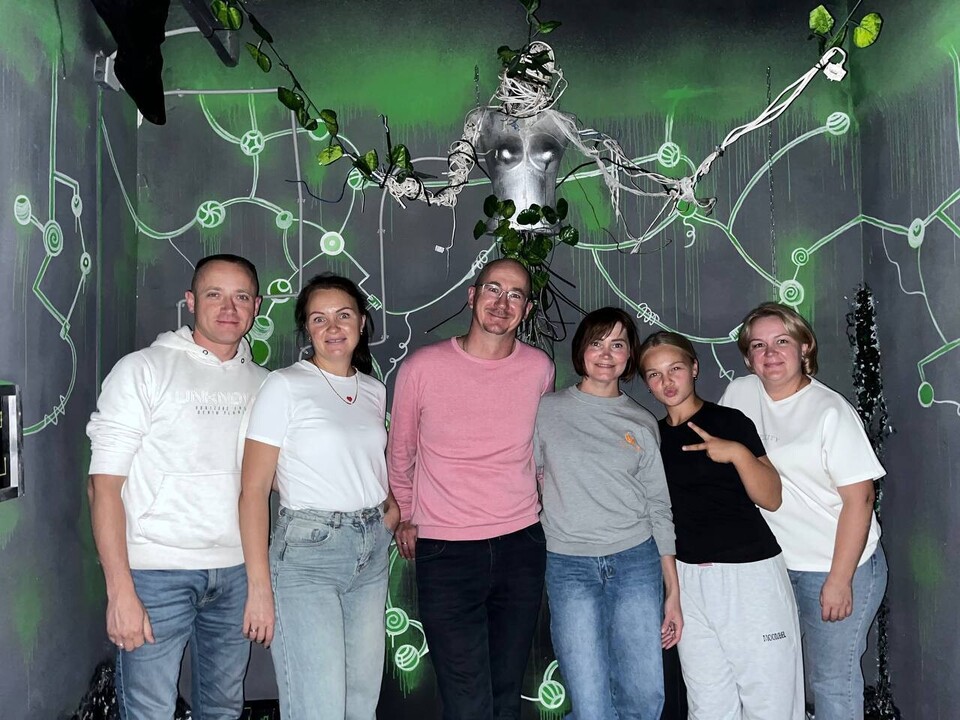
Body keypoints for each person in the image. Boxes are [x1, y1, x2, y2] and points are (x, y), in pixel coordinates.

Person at [86, 253, 268, 719]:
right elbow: (102, 487)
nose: (228, 307)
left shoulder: (266, 386)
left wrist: (258, 581)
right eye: (214, 294)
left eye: (241, 296)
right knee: (150, 711)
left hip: (235, 572)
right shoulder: (143, 369)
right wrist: (119, 591)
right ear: (190, 301)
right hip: (155, 573)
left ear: (256, 307)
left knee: (224, 708)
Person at [387, 258, 555, 720]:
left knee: (506, 692)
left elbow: (540, 452)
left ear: (527, 308)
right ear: (472, 296)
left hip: (521, 544)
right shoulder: (422, 367)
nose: (502, 302)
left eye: (516, 294)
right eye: (493, 289)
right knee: (465, 699)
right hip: (447, 550)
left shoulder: (539, 368)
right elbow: (401, 451)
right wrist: (405, 514)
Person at [238, 274, 397, 720]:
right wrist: (259, 588)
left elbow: (360, 460)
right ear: (307, 328)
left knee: (360, 702)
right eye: (319, 318)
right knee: (319, 707)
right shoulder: (284, 385)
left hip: (371, 551)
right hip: (308, 555)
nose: (332, 327)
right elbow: (253, 491)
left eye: (343, 315)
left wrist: (388, 506)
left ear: (361, 322)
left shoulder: (373, 390)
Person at [720, 302, 888, 720]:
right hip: (774, 566)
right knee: (775, 676)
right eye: (758, 345)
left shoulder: (830, 411)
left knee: (832, 681)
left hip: (836, 564)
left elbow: (861, 499)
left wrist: (839, 580)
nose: (770, 353)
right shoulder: (740, 394)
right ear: (748, 357)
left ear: (804, 346)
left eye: (782, 341)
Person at [638, 330, 804, 719]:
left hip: (750, 576)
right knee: (708, 706)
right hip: (688, 580)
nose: (667, 382)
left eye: (675, 369)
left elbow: (772, 497)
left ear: (694, 368)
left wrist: (737, 454)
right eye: (655, 374)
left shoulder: (729, 422)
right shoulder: (651, 437)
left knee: (771, 704)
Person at [534, 308, 681, 720]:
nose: (605, 354)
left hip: (636, 562)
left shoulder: (641, 422)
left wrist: (672, 591)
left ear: (629, 355)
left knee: (644, 699)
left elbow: (658, 506)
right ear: (581, 350)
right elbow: (523, 477)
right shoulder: (545, 411)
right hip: (569, 565)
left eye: (617, 344)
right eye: (597, 343)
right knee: (590, 705)